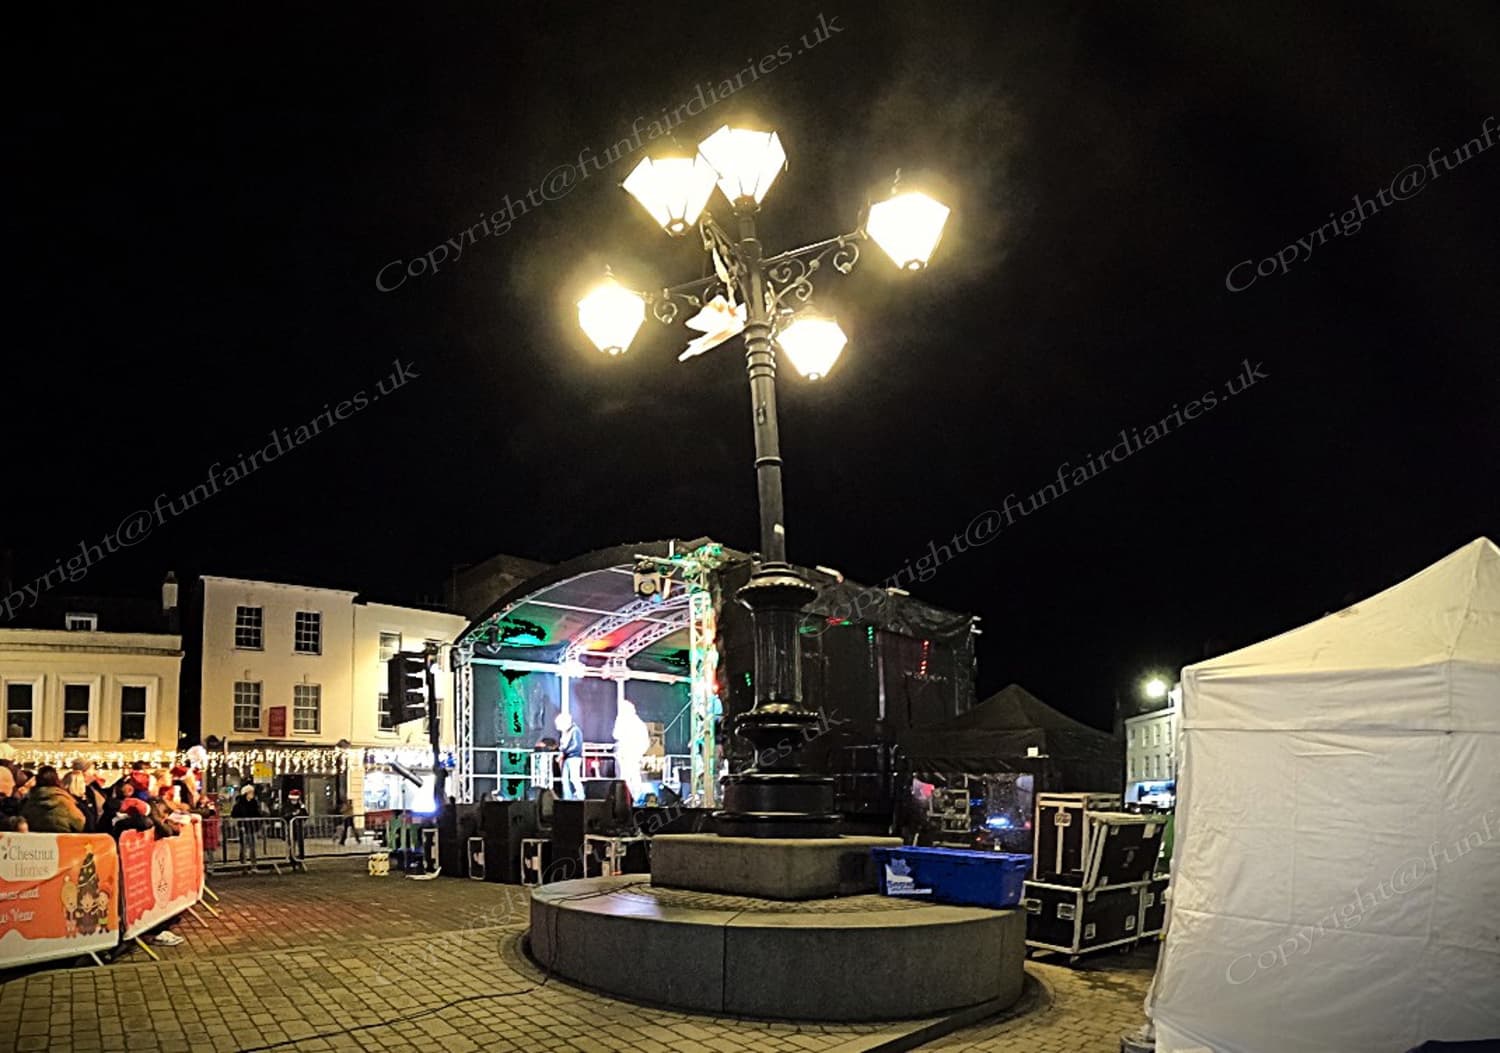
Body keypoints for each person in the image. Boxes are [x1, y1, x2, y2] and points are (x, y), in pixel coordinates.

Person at [20, 766, 87, 833]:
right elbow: (79, 824)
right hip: (63, 837)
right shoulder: (64, 800)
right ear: (56, 779)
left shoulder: (30, 802)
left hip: (35, 838)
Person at [611, 699, 651, 803]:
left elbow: (616, 734)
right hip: (628, 754)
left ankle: (631, 799)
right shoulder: (637, 723)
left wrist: (637, 752)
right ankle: (630, 799)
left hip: (630, 754)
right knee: (629, 777)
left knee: (629, 777)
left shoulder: (634, 723)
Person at [556, 711, 585, 801]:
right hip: (568, 758)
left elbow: (576, 746)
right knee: (565, 779)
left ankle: (580, 797)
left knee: (574, 778)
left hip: (574, 758)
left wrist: (564, 752)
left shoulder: (575, 731)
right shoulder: (567, 732)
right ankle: (567, 798)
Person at [231, 785, 260, 865]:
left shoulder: (254, 803)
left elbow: (257, 814)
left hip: (252, 827)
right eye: (251, 792)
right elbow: (234, 814)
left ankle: (253, 863)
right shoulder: (240, 804)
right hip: (243, 827)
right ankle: (244, 863)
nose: (252, 794)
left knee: (252, 846)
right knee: (244, 846)